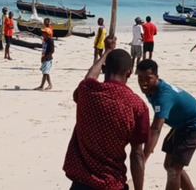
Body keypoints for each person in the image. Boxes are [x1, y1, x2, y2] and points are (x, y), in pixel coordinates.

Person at [63, 48, 150, 190]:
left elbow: (90, 77)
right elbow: (137, 154)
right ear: (129, 73)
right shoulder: (137, 106)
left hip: (81, 182)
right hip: (112, 183)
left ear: (104, 69)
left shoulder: (88, 90)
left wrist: (106, 52)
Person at [136, 59, 196, 190]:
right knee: (169, 165)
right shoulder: (152, 89)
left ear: (157, 77)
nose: (144, 82)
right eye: (140, 78)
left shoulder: (163, 96)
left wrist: (143, 159)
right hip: (180, 125)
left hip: (195, 126)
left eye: (148, 78)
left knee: (173, 169)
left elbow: (156, 129)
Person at [35, 18, 54, 90]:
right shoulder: (45, 40)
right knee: (45, 72)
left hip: (48, 58)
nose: (42, 34)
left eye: (44, 33)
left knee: (45, 72)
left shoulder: (50, 40)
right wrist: (42, 57)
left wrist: (45, 57)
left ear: (47, 34)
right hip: (45, 57)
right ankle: (50, 85)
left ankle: (42, 86)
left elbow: (52, 51)